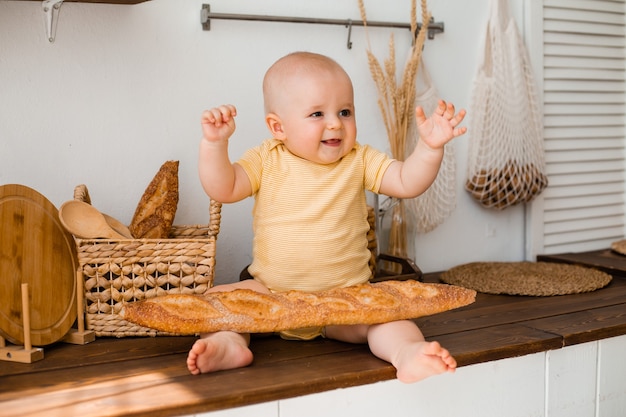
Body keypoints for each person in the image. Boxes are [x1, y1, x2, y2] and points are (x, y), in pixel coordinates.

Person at [188, 51, 467, 383]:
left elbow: (407, 181)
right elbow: (224, 187)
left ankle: (406, 353)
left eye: (345, 111)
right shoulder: (266, 158)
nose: (335, 123)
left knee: (392, 319)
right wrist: (214, 145)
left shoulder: (359, 158)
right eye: (317, 113)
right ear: (278, 127)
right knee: (217, 301)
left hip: (345, 300)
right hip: (271, 296)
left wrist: (430, 148)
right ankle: (228, 344)